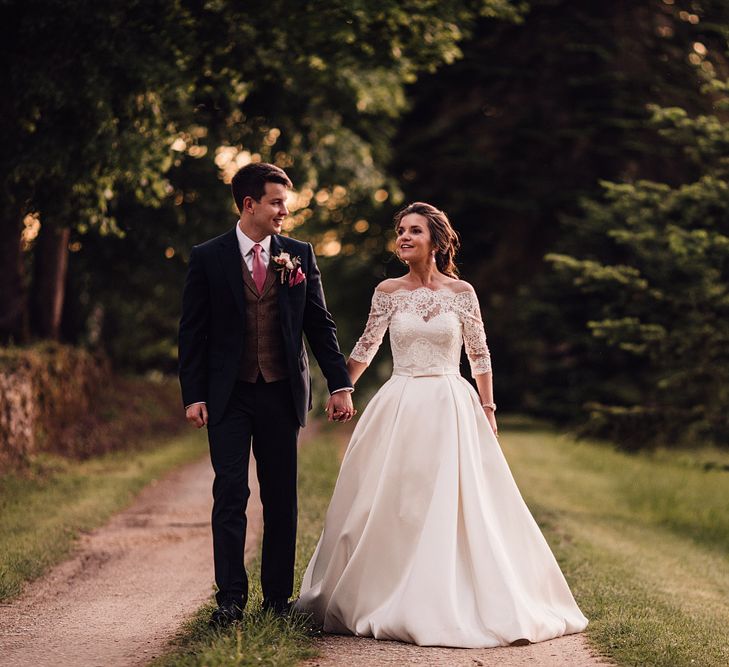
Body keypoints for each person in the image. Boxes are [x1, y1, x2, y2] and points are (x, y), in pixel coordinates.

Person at [294, 202, 588, 647]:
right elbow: (367, 344)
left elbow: (480, 354)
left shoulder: (462, 293)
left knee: (453, 499)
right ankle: (386, 587)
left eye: (414, 230)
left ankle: (449, 593)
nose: (404, 238)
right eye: (400, 231)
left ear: (436, 239)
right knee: (398, 498)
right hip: (401, 402)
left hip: (452, 404)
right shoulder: (387, 291)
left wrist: (488, 410)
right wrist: (341, 387)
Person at [178, 162, 355, 627]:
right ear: (249, 204)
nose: (283, 212)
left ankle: (276, 599)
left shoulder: (299, 254)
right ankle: (230, 599)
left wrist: (340, 384)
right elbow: (192, 333)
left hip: (281, 393)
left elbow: (319, 324)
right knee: (230, 493)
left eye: (285, 204)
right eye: (276, 203)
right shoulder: (208, 257)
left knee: (281, 499)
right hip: (227, 395)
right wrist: (193, 394)